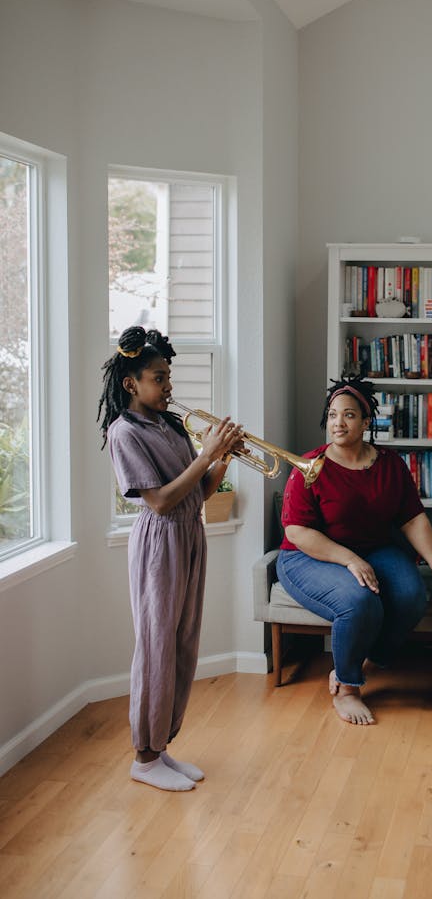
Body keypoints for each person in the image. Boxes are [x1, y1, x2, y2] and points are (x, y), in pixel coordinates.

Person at [98, 325, 243, 790]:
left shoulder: (170, 425)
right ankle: (143, 756)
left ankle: (161, 746)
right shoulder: (124, 432)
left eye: (168, 377)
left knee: (183, 644)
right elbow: (158, 501)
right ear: (131, 384)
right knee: (156, 646)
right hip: (159, 542)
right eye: (159, 378)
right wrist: (207, 453)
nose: (168, 386)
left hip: (189, 533)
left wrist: (223, 460)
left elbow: (196, 495)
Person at [276, 377, 432, 726]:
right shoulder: (310, 466)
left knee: (412, 595)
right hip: (308, 556)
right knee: (358, 600)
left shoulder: (390, 464)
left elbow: (413, 520)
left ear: (367, 423)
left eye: (349, 415)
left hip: (374, 549)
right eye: (333, 415)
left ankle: (365, 662)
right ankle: (347, 689)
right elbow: (297, 531)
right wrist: (350, 560)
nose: (338, 422)